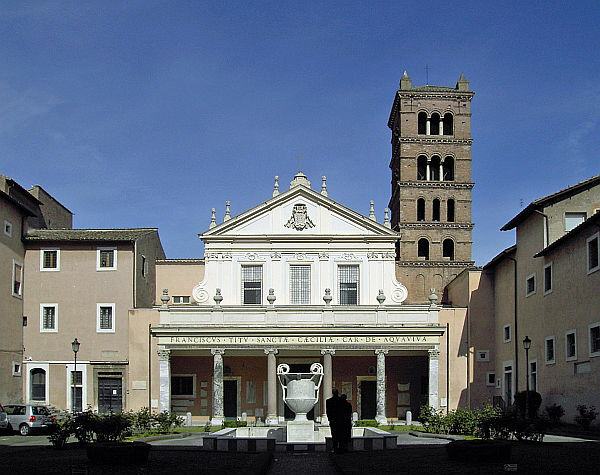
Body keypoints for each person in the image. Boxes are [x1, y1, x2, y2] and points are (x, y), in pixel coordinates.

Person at [326, 388, 340, 452]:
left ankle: (335, 447)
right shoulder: (340, 400)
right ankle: (339, 447)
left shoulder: (328, 401)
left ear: (332, 393)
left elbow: (328, 411)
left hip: (333, 420)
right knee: (340, 434)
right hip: (339, 420)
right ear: (337, 393)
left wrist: (329, 419)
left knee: (334, 434)